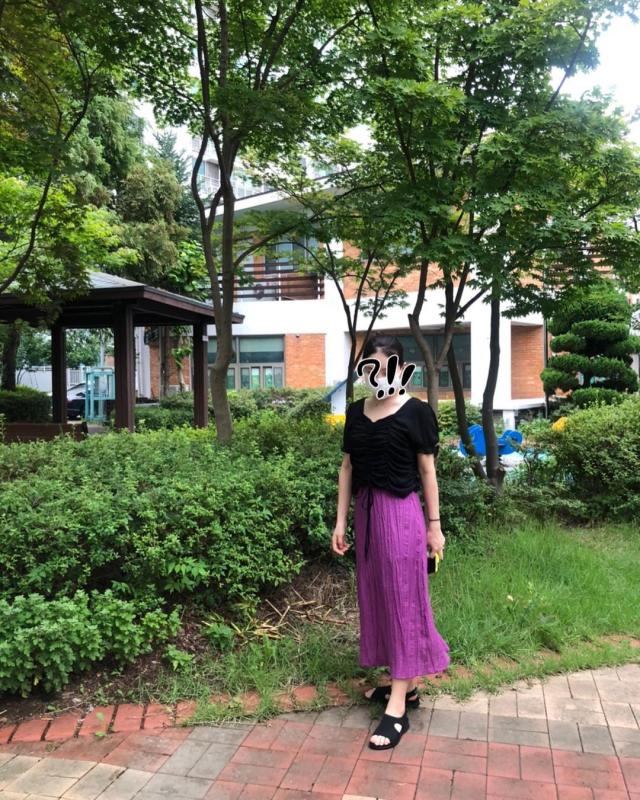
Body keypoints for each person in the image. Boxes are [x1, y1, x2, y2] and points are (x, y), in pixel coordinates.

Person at [332, 333, 450, 750]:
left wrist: (434, 526)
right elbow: (347, 468)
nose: (377, 374)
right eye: (371, 367)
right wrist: (340, 522)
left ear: (400, 368)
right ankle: (407, 686)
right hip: (366, 516)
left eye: (384, 367)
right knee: (379, 599)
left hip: (402, 516)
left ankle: (397, 708)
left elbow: (427, 471)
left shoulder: (416, 412)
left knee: (403, 601)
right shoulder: (356, 412)